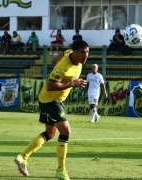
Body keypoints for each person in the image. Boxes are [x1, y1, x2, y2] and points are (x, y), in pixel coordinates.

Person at [14, 39, 89, 180]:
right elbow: (50, 85)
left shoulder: (70, 55)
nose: (85, 55)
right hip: (50, 100)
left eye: (87, 52)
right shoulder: (64, 66)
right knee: (66, 131)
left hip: (51, 100)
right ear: (75, 52)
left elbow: (63, 52)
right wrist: (72, 83)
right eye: (82, 52)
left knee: (50, 133)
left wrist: (57, 56)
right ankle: (61, 171)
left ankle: (22, 157)